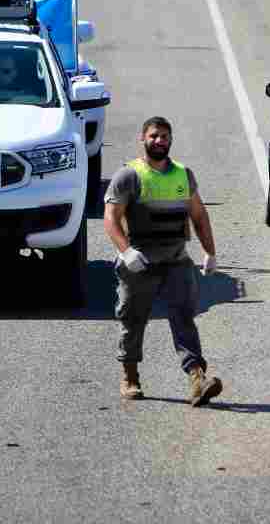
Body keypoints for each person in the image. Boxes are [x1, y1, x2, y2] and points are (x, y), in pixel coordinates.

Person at [103, 116, 223, 405]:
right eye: (154, 136)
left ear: (171, 140)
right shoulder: (128, 176)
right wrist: (125, 251)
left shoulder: (183, 174)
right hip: (139, 262)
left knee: (184, 318)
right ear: (143, 139)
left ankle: (197, 378)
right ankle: (130, 376)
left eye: (165, 136)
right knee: (133, 319)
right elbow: (111, 217)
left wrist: (210, 252)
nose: (160, 141)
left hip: (176, 260)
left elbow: (198, 215)